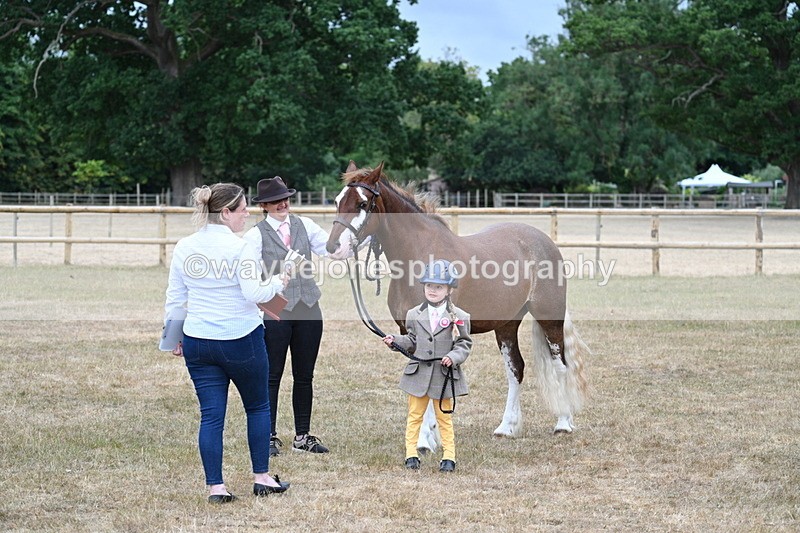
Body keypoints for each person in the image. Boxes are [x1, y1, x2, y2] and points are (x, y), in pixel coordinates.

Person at [164, 182, 291, 503]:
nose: (248, 213)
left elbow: (176, 298)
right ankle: (262, 477)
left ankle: (216, 487)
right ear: (225, 213)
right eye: (242, 208)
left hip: (197, 340)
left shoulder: (184, 246)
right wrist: (280, 280)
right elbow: (255, 293)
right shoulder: (241, 247)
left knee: (211, 415)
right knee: (258, 407)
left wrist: (172, 338)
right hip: (240, 339)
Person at [243, 176, 331, 456]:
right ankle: (268, 435)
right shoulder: (255, 235)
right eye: (274, 201)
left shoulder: (305, 225)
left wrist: (356, 239)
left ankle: (302, 436)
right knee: (272, 375)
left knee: (305, 375)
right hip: (276, 308)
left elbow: (331, 249)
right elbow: (249, 273)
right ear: (264, 206)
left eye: (285, 198)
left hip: (308, 305)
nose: (282, 204)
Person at [382, 259, 473, 473]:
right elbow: (412, 341)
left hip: (443, 375)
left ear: (449, 290)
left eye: (439, 287)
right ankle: (411, 453)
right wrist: (395, 340)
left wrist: (453, 356)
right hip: (419, 375)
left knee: (444, 417)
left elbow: (464, 343)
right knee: (415, 415)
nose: (433, 290)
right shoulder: (414, 314)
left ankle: (449, 456)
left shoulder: (459, 317)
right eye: (429, 286)